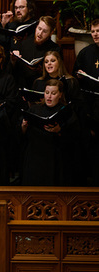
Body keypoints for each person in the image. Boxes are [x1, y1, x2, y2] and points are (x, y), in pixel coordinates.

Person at [20, 79, 81, 186]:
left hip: (56, 158)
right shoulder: (34, 109)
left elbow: (75, 138)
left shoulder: (67, 112)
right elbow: (21, 135)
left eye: (53, 93)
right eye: (47, 92)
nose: (49, 96)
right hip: (34, 157)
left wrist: (59, 131)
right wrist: (23, 126)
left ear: (60, 95)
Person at [74, 19, 99, 185]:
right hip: (91, 106)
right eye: (93, 31)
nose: (95, 34)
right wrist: (79, 75)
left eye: (98, 31)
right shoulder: (86, 52)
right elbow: (75, 74)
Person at [11, 16, 61, 89]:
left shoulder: (55, 49)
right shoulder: (25, 43)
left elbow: (58, 74)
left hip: (43, 87)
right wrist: (13, 60)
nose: (40, 33)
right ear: (36, 27)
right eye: (39, 29)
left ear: (51, 33)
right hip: (23, 85)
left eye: (45, 31)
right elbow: (16, 70)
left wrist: (42, 70)